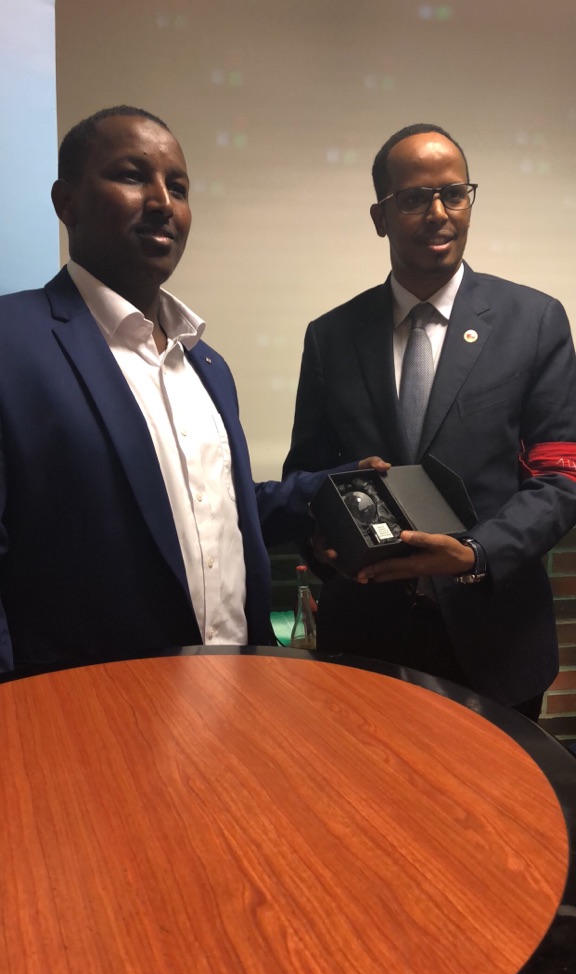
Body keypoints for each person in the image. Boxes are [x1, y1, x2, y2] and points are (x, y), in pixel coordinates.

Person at [0, 104, 372, 679]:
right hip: (81, 708)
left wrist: (329, 489)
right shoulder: (11, 341)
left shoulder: (206, 364)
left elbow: (213, 509)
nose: (162, 202)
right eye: (131, 176)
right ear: (65, 202)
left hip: (235, 692)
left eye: (178, 187)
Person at [283, 123, 576, 720]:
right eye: (414, 198)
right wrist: (322, 542)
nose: (438, 213)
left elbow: (561, 477)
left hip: (497, 636)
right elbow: (308, 475)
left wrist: (475, 552)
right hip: (366, 635)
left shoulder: (535, 321)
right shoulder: (331, 336)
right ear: (380, 217)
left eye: (454, 194)